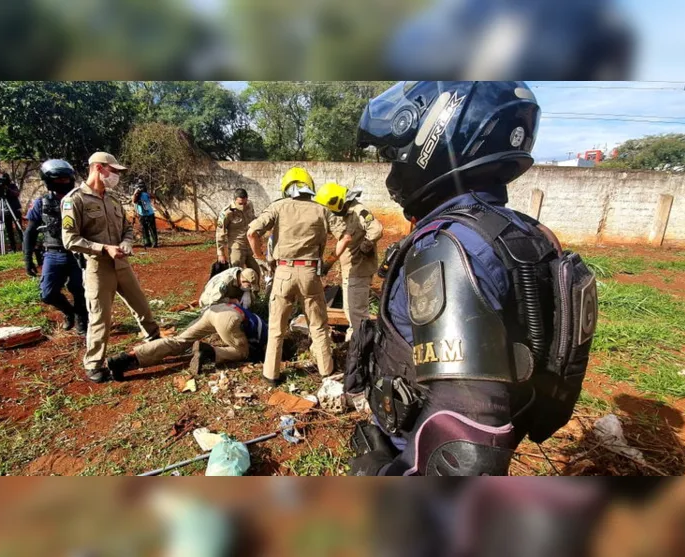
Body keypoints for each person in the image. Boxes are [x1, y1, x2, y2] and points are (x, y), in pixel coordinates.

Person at [345, 81, 598, 476]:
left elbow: (463, 449)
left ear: (433, 140)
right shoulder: (526, 231)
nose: (393, 168)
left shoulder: (447, 247)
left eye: (395, 155)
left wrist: (381, 472)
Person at [247, 167, 352, 386]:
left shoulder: (278, 206)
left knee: (276, 328)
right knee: (318, 325)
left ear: (286, 187)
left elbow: (252, 232)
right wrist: (330, 261)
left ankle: (271, 375)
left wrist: (260, 258)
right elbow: (346, 237)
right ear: (310, 187)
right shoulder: (322, 210)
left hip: (283, 273)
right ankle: (326, 371)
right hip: (310, 273)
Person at [62, 151, 161, 383]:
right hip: (97, 267)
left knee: (142, 306)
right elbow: (69, 239)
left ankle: (155, 343)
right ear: (98, 167)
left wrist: (126, 242)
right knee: (100, 317)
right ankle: (94, 364)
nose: (116, 175)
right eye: (113, 170)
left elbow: (127, 228)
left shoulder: (113, 199)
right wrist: (104, 248)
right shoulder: (74, 200)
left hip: (122, 263)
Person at [106, 302, 268, 380]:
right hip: (229, 319)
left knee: (179, 341)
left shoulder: (259, 321)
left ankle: (127, 358)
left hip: (216, 310)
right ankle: (209, 352)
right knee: (242, 352)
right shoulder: (266, 333)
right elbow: (253, 349)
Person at [23, 159, 88, 335]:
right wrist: (27, 259)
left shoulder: (80, 199)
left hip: (77, 253)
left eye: (65, 179)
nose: (62, 183)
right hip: (53, 253)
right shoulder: (41, 203)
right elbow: (30, 231)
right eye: (58, 180)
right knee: (47, 294)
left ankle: (83, 320)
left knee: (79, 289)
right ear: (48, 180)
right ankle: (69, 312)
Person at [314, 183, 383, 342]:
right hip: (350, 270)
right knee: (351, 312)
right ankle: (356, 349)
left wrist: (365, 246)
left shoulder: (359, 211)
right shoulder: (346, 216)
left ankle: (357, 351)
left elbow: (376, 229)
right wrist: (328, 264)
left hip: (359, 270)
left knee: (356, 315)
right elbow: (343, 242)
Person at [216, 188, 259, 289]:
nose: (243, 205)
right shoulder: (227, 212)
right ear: (235, 200)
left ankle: (254, 297)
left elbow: (253, 221)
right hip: (236, 247)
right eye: (240, 203)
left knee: (255, 272)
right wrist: (220, 253)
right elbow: (220, 233)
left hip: (250, 246)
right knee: (236, 274)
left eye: (245, 202)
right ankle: (236, 298)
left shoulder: (250, 205)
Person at [0, 172, 23, 252]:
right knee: (9, 230)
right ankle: (13, 248)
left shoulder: (12, 186)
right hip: (5, 211)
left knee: (19, 228)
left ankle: (25, 245)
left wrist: (7, 188)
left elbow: (16, 194)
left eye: (4, 178)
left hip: (14, 210)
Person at [132, 179, 159, 248]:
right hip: (142, 215)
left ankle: (155, 242)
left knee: (152, 229)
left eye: (141, 187)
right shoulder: (136, 195)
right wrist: (136, 193)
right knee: (144, 229)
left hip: (150, 214)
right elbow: (134, 201)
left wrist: (147, 193)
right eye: (139, 187)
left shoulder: (146, 194)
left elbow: (153, 196)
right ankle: (147, 242)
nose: (140, 188)